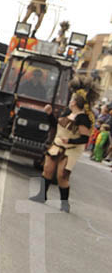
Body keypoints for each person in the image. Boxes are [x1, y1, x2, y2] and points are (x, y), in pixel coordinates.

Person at [30, 76, 98, 212]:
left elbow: (85, 139)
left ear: (75, 103)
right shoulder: (67, 112)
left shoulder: (82, 118)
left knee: (62, 176)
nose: (70, 100)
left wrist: (71, 141)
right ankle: (42, 195)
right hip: (58, 144)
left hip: (71, 149)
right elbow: (56, 126)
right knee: (48, 169)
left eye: (72, 99)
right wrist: (49, 114)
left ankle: (65, 204)